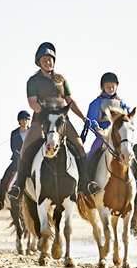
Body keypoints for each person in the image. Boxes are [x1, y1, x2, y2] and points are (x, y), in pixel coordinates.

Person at [8, 42, 99, 199]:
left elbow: (70, 100)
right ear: (39, 62)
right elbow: (32, 102)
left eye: (50, 59)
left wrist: (84, 118)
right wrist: (44, 113)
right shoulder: (33, 81)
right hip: (41, 119)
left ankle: (86, 183)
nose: (47, 62)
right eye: (44, 59)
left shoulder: (61, 79)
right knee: (25, 148)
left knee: (79, 145)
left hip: (62, 119)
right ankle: (19, 185)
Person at [85, 72, 137, 191]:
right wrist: (98, 129)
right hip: (103, 136)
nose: (110, 88)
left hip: (119, 136)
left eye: (113, 86)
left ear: (117, 86)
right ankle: (90, 182)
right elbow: (91, 119)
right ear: (103, 87)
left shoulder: (122, 103)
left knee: (131, 154)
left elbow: (129, 119)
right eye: (108, 86)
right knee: (92, 153)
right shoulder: (96, 103)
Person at [0, 110, 30, 210]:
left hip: (30, 161)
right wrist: (19, 154)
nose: (24, 122)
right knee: (3, 180)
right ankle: (1, 202)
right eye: (22, 120)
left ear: (28, 121)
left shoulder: (32, 132)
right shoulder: (14, 133)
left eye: (26, 120)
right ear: (19, 121)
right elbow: (13, 147)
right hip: (17, 161)